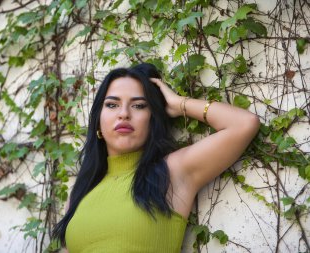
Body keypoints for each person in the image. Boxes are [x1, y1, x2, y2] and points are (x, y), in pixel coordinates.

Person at [53, 63, 260, 252]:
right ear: (98, 121)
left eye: (139, 105)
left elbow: (243, 124)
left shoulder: (171, 172)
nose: (124, 114)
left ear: (153, 120)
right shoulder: (81, 190)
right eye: (112, 105)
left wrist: (179, 104)